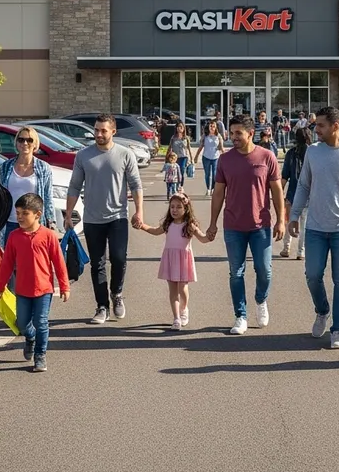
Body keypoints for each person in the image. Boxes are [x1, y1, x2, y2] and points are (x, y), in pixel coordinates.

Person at [289, 106, 339, 350]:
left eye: (321, 125)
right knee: (313, 275)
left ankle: (338, 329)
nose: (316, 129)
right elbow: (303, 185)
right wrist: (294, 215)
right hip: (314, 226)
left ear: (336, 126)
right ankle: (322, 310)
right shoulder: (313, 152)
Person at [206, 114, 286, 335]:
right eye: (231, 133)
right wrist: (212, 223)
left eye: (238, 133)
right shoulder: (225, 160)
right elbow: (218, 194)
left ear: (251, 133)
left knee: (264, 271)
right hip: (233, 225)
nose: (234, 137)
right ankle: (240, 315)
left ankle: (261, 300)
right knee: (236, 273)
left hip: (261, 225)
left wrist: (281, 220)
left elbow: (277, 191)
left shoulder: (267, 157)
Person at [65, 113, 143, 325]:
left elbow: (136, 185)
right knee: (97, 264)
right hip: (92, 218)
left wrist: (139, 211)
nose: (98, 134)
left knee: (118, 258)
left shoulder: (125, 154)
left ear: (113, 132)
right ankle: (102, 306)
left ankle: (116, 294)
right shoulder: (83, 156)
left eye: (103, 131)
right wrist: (69, 214)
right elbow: (74, 186)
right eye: (96, 130)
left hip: (118, 217)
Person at [0, 193, 70, 373]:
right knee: (22, 323)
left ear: (37, 214)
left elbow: (59, 262)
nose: (19, 217)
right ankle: (30, 338)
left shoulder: (48, 236)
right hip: (22, 290)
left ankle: (40, 355)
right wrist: (0, 286)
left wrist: (64, 286)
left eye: (24, 213)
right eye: (18, 213)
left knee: (41, 322)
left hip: (44, 289)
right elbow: (6, 264)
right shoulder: (14, 237)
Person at [134, 193, 210, 330]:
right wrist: (143, 226)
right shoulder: (168, 224)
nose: (174, 210)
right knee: (173, 290)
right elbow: (156, 231)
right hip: (170, 259)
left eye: (179, 207)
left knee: (183, 288)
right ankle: (176, 318)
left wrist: (210, 236)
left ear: (186, 209)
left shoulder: (190, 225)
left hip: (183, 260)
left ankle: (184, 309)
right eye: (172, 207)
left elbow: (203, 238)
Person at [0, 126, 57, 292]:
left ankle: (31, 307)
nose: (25, 143)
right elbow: (0, 196)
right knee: (11, 269)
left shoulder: (43, 168)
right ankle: (16, 312)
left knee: (33, 267)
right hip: (9, 223)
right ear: (16, 142)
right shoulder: (6, 167)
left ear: (35, 144)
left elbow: (47, 197)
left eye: (29, 140)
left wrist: (50, 223)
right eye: (21, 139)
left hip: (34, 226)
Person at [279, 127, 312, 259]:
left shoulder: (291, 153)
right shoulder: (313, 152)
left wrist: (279, 194)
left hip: (293, 193)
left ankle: (286, 248)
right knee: (304, 224)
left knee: (289, 221)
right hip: (310, 194)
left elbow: (284, 176)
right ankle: (301, 251)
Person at [195, 119, 225, 196]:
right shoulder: (205, 136)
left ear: (216, 127)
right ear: (208, 127)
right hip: (206, 157)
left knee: (215, 174)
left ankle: (213, 189)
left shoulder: (218, 136)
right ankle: (208, 188)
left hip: (215, 157)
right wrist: (196, 156)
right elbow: (201, 146)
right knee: (207, 174)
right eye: (210, 126)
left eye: (213, 126)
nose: (212, 128)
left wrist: (226, 157)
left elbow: (221, 147)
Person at [166, 121, 194, 189]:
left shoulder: (186, 138)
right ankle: (175, 186)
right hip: (175, 158)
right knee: (174, 172)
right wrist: (167, 158)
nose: (179, 128)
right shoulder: (173, 138)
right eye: (178, 127)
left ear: (184, 128)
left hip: (183, 157)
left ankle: (180, 186)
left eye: (181, 127)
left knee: (181, 171)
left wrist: (192, 158)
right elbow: (170, 147)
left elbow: (189, 148)